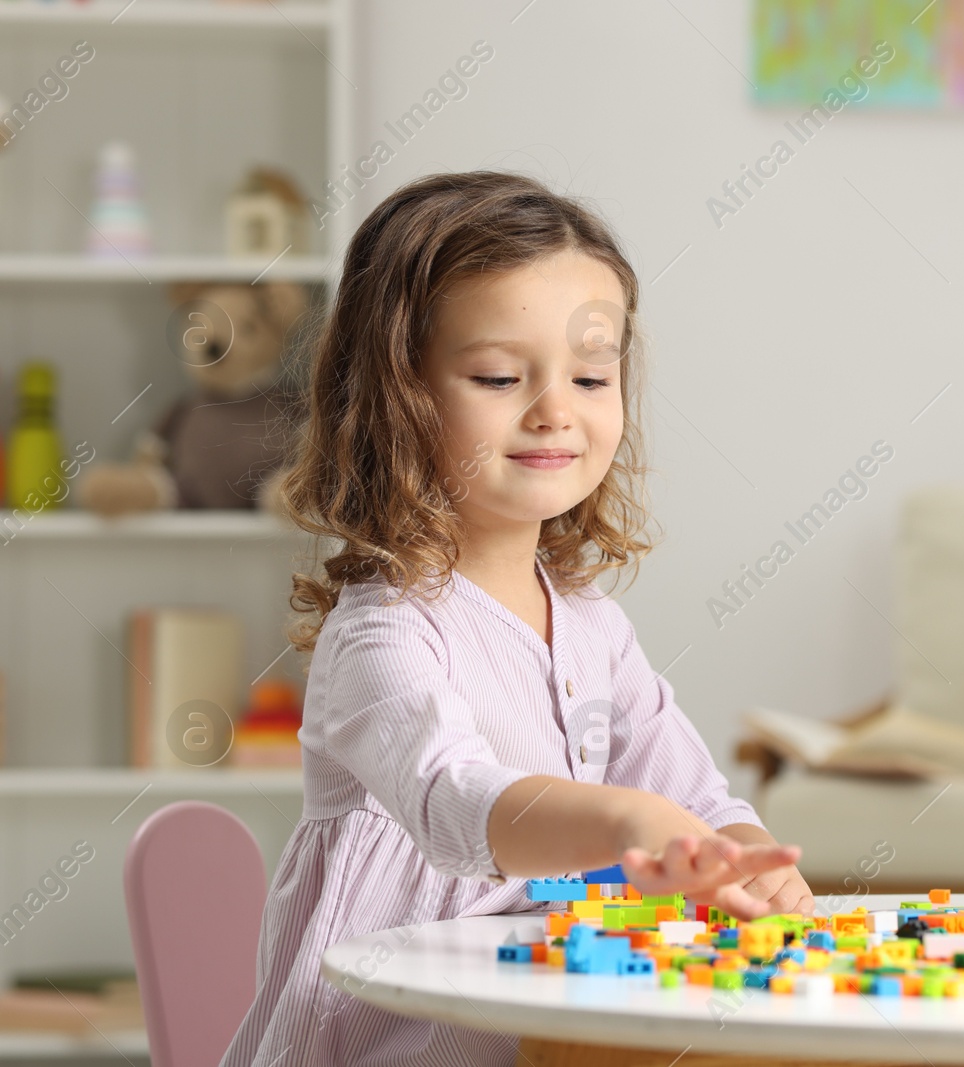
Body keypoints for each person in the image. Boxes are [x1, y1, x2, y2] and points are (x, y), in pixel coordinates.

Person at [221, 171, 811, 1067]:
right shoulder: (382, 635)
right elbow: (454, 803)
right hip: (375, 1043)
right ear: (394, 396)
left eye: (590, 374)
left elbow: (694, 794)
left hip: (539, 1029)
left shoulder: (589, 623)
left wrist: (744, 854)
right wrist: (624, 822)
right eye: (499, 375)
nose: (556, 410)